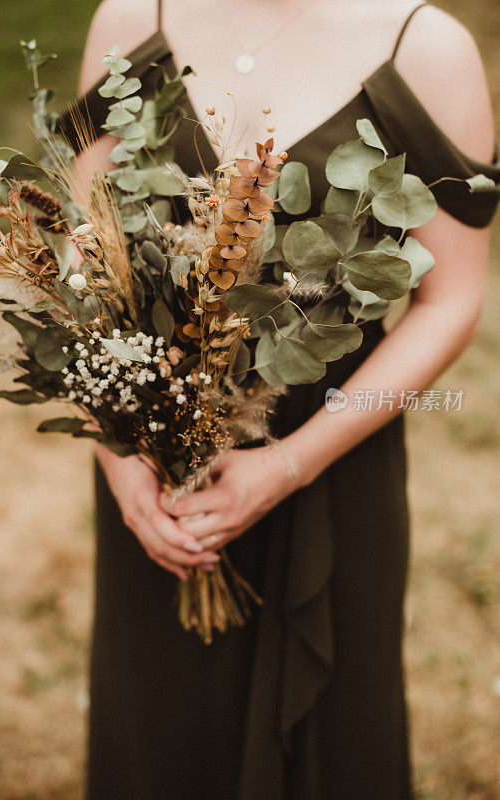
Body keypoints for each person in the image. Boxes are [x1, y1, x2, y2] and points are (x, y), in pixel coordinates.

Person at [60, 1, 499, 798]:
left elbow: (450, 302)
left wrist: (289, 465)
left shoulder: (425, 49)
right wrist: (118, 447)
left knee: (329, 747)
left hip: (329, 446)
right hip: (155, 454)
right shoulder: (132, 17)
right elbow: (86, 261)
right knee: (159, 726)